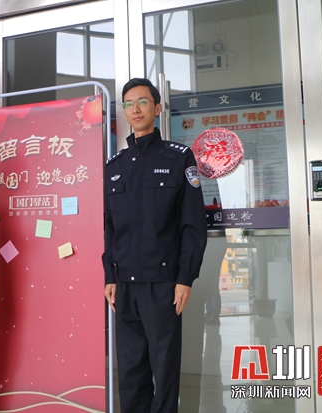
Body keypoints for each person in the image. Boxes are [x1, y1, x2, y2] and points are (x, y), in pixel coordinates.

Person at [102, 78, 207, 413]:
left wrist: (185, 278)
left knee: (165, 371)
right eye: (128, 103)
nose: (135, 109)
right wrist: (110, 275)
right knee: (130, 373)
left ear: (158, 108)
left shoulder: (179, 158)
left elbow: (193, 225)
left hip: (163, 285)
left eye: (143, 101)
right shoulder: (115, 166)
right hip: (125, 286)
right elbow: (109, 227)